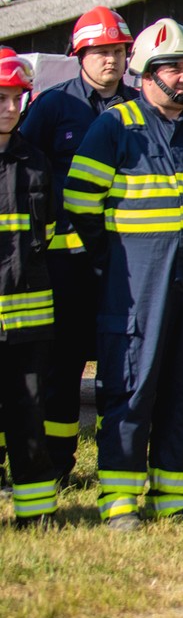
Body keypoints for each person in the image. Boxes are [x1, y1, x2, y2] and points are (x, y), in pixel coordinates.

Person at [63, 19, 183, 529]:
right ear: (145, 74)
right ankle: (118, 501)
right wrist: (111, 267)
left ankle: (173, 496)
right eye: (173, 68)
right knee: (132, 387)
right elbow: (78, 207)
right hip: (135, 286)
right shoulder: (115, 126)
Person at [19, 5, 136, 481]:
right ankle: (57, 465)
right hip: (65, 265)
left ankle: (120, 461)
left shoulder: (139, 107)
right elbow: (26, 172)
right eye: (101, 51)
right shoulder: (52, 106)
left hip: (125, 261)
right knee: (62, 368)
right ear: (79, 54)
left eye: (118, 51)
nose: (111, 60)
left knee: (120, 365)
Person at [0, 51, 60, 527]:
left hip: (30, 322)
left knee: (27, 421)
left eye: (15, 98)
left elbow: (53, 234)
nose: (7, 107)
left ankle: (37, 513)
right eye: (0, 98)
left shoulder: (36, 164)